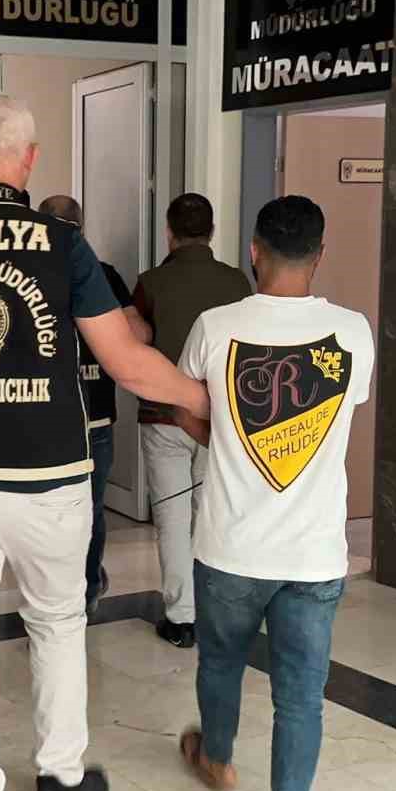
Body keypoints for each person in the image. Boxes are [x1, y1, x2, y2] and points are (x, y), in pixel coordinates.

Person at [0, 95, 210, 791]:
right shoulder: (61, 246)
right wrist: (207, 398)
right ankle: (61, 778)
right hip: (49, 479)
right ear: (30, 159)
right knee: (57, 624)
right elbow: (125, 361)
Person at [171, 195, 374, 791]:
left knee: (221, 663)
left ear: (253, 251)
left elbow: (183, 408)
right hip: (314, 553)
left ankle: (217, 757)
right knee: (302, 697)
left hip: (230, 545)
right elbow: (339, 415)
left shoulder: (215, 326)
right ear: (320, 254)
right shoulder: (353, 332)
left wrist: (226, 443)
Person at [130, 193, 252, 647]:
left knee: (172, 516)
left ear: (169, 232)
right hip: (217, 418)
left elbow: (134, 343)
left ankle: (181, 617)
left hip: (163, 417)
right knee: (212, 514)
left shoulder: (150, 283)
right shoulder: (237, 282)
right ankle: (213, 607)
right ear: (212, 232)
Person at [34, 195, 150, 615]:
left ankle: (53, 598)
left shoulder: (28, 277)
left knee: (43, 515)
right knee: (91, 510)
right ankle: (84, 592)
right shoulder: (101, 274)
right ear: (81, 230)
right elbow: (140, 335)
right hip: (93, 416)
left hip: (42, 417)